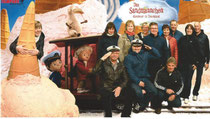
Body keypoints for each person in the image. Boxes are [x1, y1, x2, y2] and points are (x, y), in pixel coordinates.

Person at [92, 45, 133, 117]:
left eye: (117, 53)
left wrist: (119, 87)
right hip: (106, 87)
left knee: (130, 93)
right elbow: (94, 71)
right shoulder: (104, 64)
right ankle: (108, 116)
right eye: (112, 53)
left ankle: (125, 115)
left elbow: (125, 79)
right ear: (108, 54)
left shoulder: (121, 65)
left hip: (117, 87)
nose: (115, 55)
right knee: (107, 97)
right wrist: (102, 59)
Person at [124, 39, 160, 113]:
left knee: (154, 91)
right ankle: (139, 104)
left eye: (138, 46)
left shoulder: (145, 54)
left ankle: (141, 104)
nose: (137, 48)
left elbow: (158, 55)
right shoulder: (128, 57)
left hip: (145, 78)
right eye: (135, 46)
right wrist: (138, 81)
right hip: (134, 80)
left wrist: (151, 49)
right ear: (132, 47)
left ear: (141, 47)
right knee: (138, 93)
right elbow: (130, 72)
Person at [178, 24, 203, 104]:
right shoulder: (182, 39)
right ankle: (181, 95)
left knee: (188, 80)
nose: (189, 30)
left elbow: (199, 53)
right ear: (185, 30)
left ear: (192, 30)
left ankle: (186, 96)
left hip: (190, 64)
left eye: (190, 29)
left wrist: (196, 63)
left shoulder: (195, 40)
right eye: (187, 29)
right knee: (182, 80)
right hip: (182, 63)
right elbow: (179, 51)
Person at [192, 22, 209, 101]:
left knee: (198, 78)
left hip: (201, 60)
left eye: (197, 26)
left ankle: (195, 94)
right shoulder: (191, 36)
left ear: (200, 26)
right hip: (192, 60)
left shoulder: (204, 37)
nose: (196, 28)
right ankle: (185, 94)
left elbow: (207, 50)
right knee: (188, 78)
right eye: (195, 26)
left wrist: (207, 62)